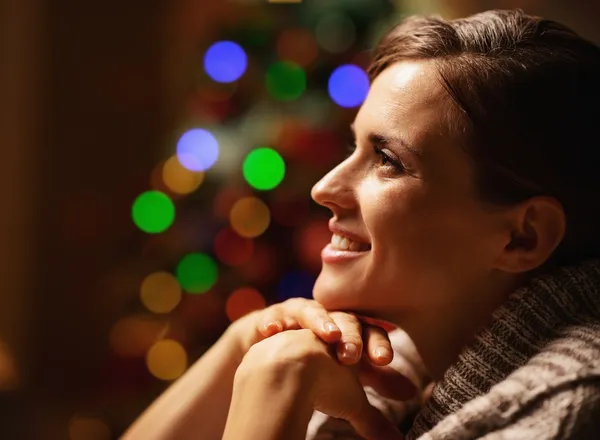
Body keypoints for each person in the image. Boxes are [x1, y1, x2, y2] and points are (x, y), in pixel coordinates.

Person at [124, 8, 600, 440]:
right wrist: (243, 342)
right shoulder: (399, 368)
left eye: (387, 160)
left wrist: (271, 388)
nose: (324, 188)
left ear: (523, 236)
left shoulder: (568, 410)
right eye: (353, 148)